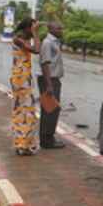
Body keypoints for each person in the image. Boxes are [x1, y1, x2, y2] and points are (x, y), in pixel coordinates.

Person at [10, 18, 41, 156]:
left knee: (24, 111)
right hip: (21, 78)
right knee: (26, 111)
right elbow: (37, 50)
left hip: (23, 77)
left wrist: (34, 32)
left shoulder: (22, 39)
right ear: (28, 28)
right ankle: (22, 145)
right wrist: (35, 33)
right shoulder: (18, 40)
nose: (35, 30)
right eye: (33, 27)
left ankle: (23, 145)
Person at [37, 21, 65, 149]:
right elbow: (45, 64)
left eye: (61, 28)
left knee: (51, 109)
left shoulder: (54, 42)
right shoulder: (48, 43)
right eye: (58, 27)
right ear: (50, 29)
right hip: (49, 80)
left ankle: (47, 138)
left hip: (53, 79)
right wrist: (49, 85)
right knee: (50, 110)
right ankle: (47, 140)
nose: (61, 30)